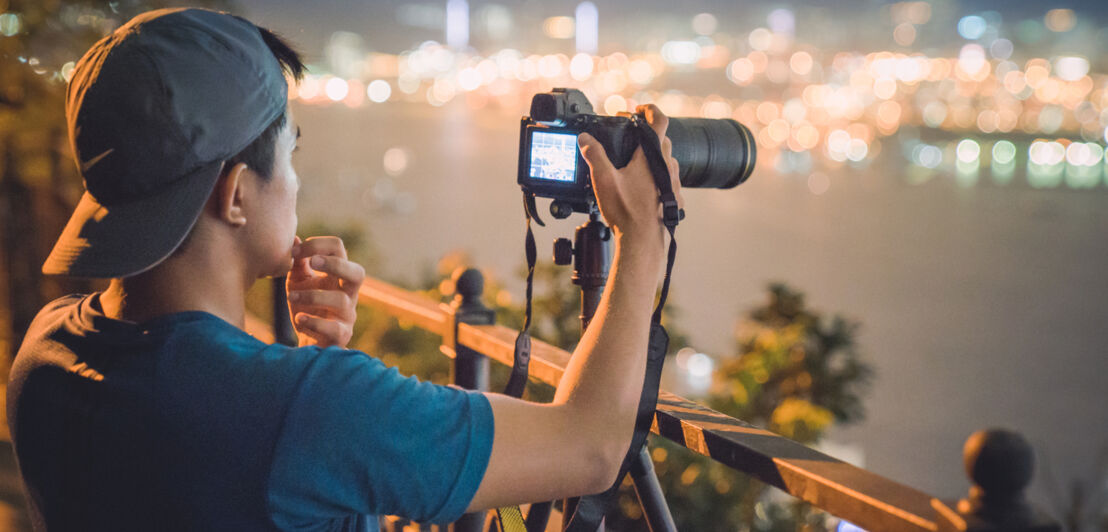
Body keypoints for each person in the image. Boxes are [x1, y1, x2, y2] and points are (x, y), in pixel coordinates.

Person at [7, 7, 682, 531]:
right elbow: (589, 447)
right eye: (291, 153)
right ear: (236, 193)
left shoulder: (41, 356)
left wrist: (304, 365)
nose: (297, 183)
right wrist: (644, 235)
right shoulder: (307, 412)